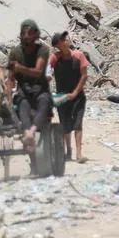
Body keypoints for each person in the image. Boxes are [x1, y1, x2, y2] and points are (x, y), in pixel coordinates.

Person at [6, 19, 51, 154]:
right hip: (23, 91)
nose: (27, 36)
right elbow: (10, 78)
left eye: (30, 33)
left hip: (40, 89)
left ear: (36, 36)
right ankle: (28, 132)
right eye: (24, 33)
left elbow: (38, 72)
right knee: (23, 104)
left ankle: (31, 132)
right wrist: (8, 96)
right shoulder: (15, 52)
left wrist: (20, 68)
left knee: (44, 102)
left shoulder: (43, 50)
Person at [49, 32, 88, 164]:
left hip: (78, 96)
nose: (67, 41)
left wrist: (76, 92)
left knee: (78, 124)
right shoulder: (55, 58)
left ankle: (79, 154)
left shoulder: (79, 55)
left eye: (66, 39)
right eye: (63, 40)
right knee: (65, 126)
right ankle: (68, 151)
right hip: (62, 97)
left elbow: (84, 76)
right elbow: (47, 73)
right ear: (58, 45)